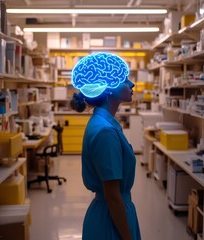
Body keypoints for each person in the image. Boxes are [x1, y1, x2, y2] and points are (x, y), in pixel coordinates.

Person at [70, 52, 141, 240]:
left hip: (110, 214)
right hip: (111, 221)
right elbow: (113, 196)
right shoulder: (105, 132)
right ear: (109, 89)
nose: (131, 84)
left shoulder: (104, 123)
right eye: (125, 80)